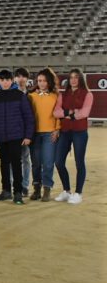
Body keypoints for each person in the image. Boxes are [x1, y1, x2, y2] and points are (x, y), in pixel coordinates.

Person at [0, 69, 35, 205]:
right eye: (2, 80)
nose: (5, 82)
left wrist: (27, 136)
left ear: (11, 80)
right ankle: (6, 190)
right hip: (0, 137)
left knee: (16, 163)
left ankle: (18, 192)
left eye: (7, 80)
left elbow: (28, 117)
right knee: (4, 163)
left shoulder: (20, 96)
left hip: (16, 136)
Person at [53, 69, 93, 205]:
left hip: (80, 131)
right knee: (58, 161)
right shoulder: (62, 95)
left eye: (76, 77)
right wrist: (70, 112)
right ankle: (67, 191)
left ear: (80, 79)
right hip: (65, 131)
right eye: (71, 77)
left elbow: (85, 112)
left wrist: (68, 115)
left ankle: (78, 193)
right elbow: (56, 112)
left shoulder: (88, 94)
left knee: (79, 162)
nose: (73, 80)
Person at [28, 68, 60, 202]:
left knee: (47, 163)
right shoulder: (31, 96)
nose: (41, 83)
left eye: (44, 81)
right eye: (39, 81)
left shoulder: (55, 96)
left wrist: (57, 129)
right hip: (34, 134)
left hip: (49, 134)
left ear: (49, 82)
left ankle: (47, 189)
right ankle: (36, 189)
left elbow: (58, 114)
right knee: (35, 164)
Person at [14, 67, 33, 196]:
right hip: (14, 132)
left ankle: (25, 185)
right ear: (15, 78)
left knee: (25, 159)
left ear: (27, 79)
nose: (21, 79)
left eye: (23, 77)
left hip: (27, 132)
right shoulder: (10, 94)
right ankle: (14, 185)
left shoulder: (31, 95)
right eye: (18, 76)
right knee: (13, 160)